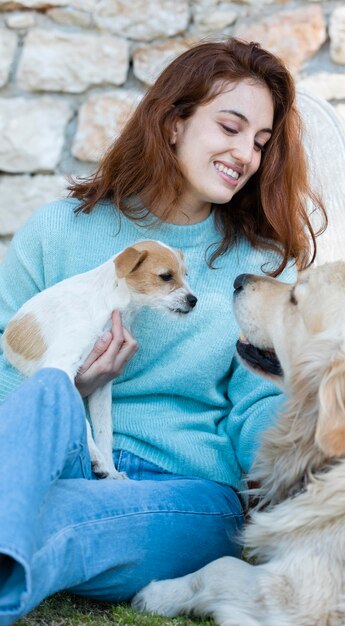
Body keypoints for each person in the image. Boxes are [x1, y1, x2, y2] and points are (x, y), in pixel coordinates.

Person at [0, 38, 325, 625]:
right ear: (174, 123)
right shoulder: (58, 233)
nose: (246, 154)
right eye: (230, 127)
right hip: (65, 459)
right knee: (46, 389)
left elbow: (264, 409)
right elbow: (7, 383)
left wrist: (303, 496)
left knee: (65, 520)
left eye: (260, 141)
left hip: (185, 496)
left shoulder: (261, 271)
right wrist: (73, 384)